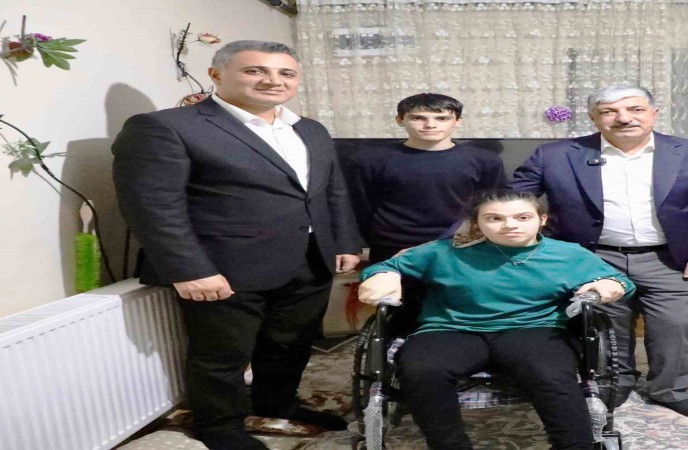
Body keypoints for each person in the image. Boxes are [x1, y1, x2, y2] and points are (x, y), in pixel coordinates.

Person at [112, 40, 361, 450]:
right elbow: (152, 206)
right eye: (255, 70)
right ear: (217, 74)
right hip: (222, 267)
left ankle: (276, 405)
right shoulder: (166, 126)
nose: (273, 80)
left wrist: (345, 240)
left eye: (286, 73)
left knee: (290, 344)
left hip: (308, 260)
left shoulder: (309, 128)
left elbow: (331, 190)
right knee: (222, 357)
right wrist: (189, 269)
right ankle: (221, 427)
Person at [510, 84, 688, 422]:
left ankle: (669, 391)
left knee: (673, 326)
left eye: (635, 109)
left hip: (672, 259)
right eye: (609, 111)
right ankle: (614, 385)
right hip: (594, 258)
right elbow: (512, 201)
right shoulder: (554, 155)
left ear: (654, 114)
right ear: (593, 118)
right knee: (606, 327)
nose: (624, 118)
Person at [358, 190, 635, 450]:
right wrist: (385, 275)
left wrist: (608, 285)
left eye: (522, 217)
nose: (509, 225)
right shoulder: (442, 251)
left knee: (550, 374)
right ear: (477, 223)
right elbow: (385, 266)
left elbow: (621, 281)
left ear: (541, 220)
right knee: (422, 369)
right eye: (494, 218)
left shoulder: (568, 254)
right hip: (451, 327)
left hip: (534, 327)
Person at [345, 93, 508, 264]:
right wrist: (352, 247)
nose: (430, 125)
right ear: (400, 120)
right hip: (392, 248)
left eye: (442, 118)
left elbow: (493, 206)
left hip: (462, 245)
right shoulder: (368, 160)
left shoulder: (485, 161)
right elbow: (356, 207)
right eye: (418, 118)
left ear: (457, 121)